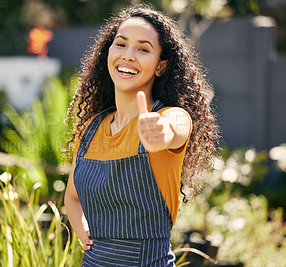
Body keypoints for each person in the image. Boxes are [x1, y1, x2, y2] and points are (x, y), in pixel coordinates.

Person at [64, 5, 219, 266]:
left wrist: (160, 133)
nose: (128, 55)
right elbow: (72, 196)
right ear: (108, 53)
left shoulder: (172, 117)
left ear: (161, 66)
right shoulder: (90, 130)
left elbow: (174, 129)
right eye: (121, 44)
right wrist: (83, 232)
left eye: (143, 49)